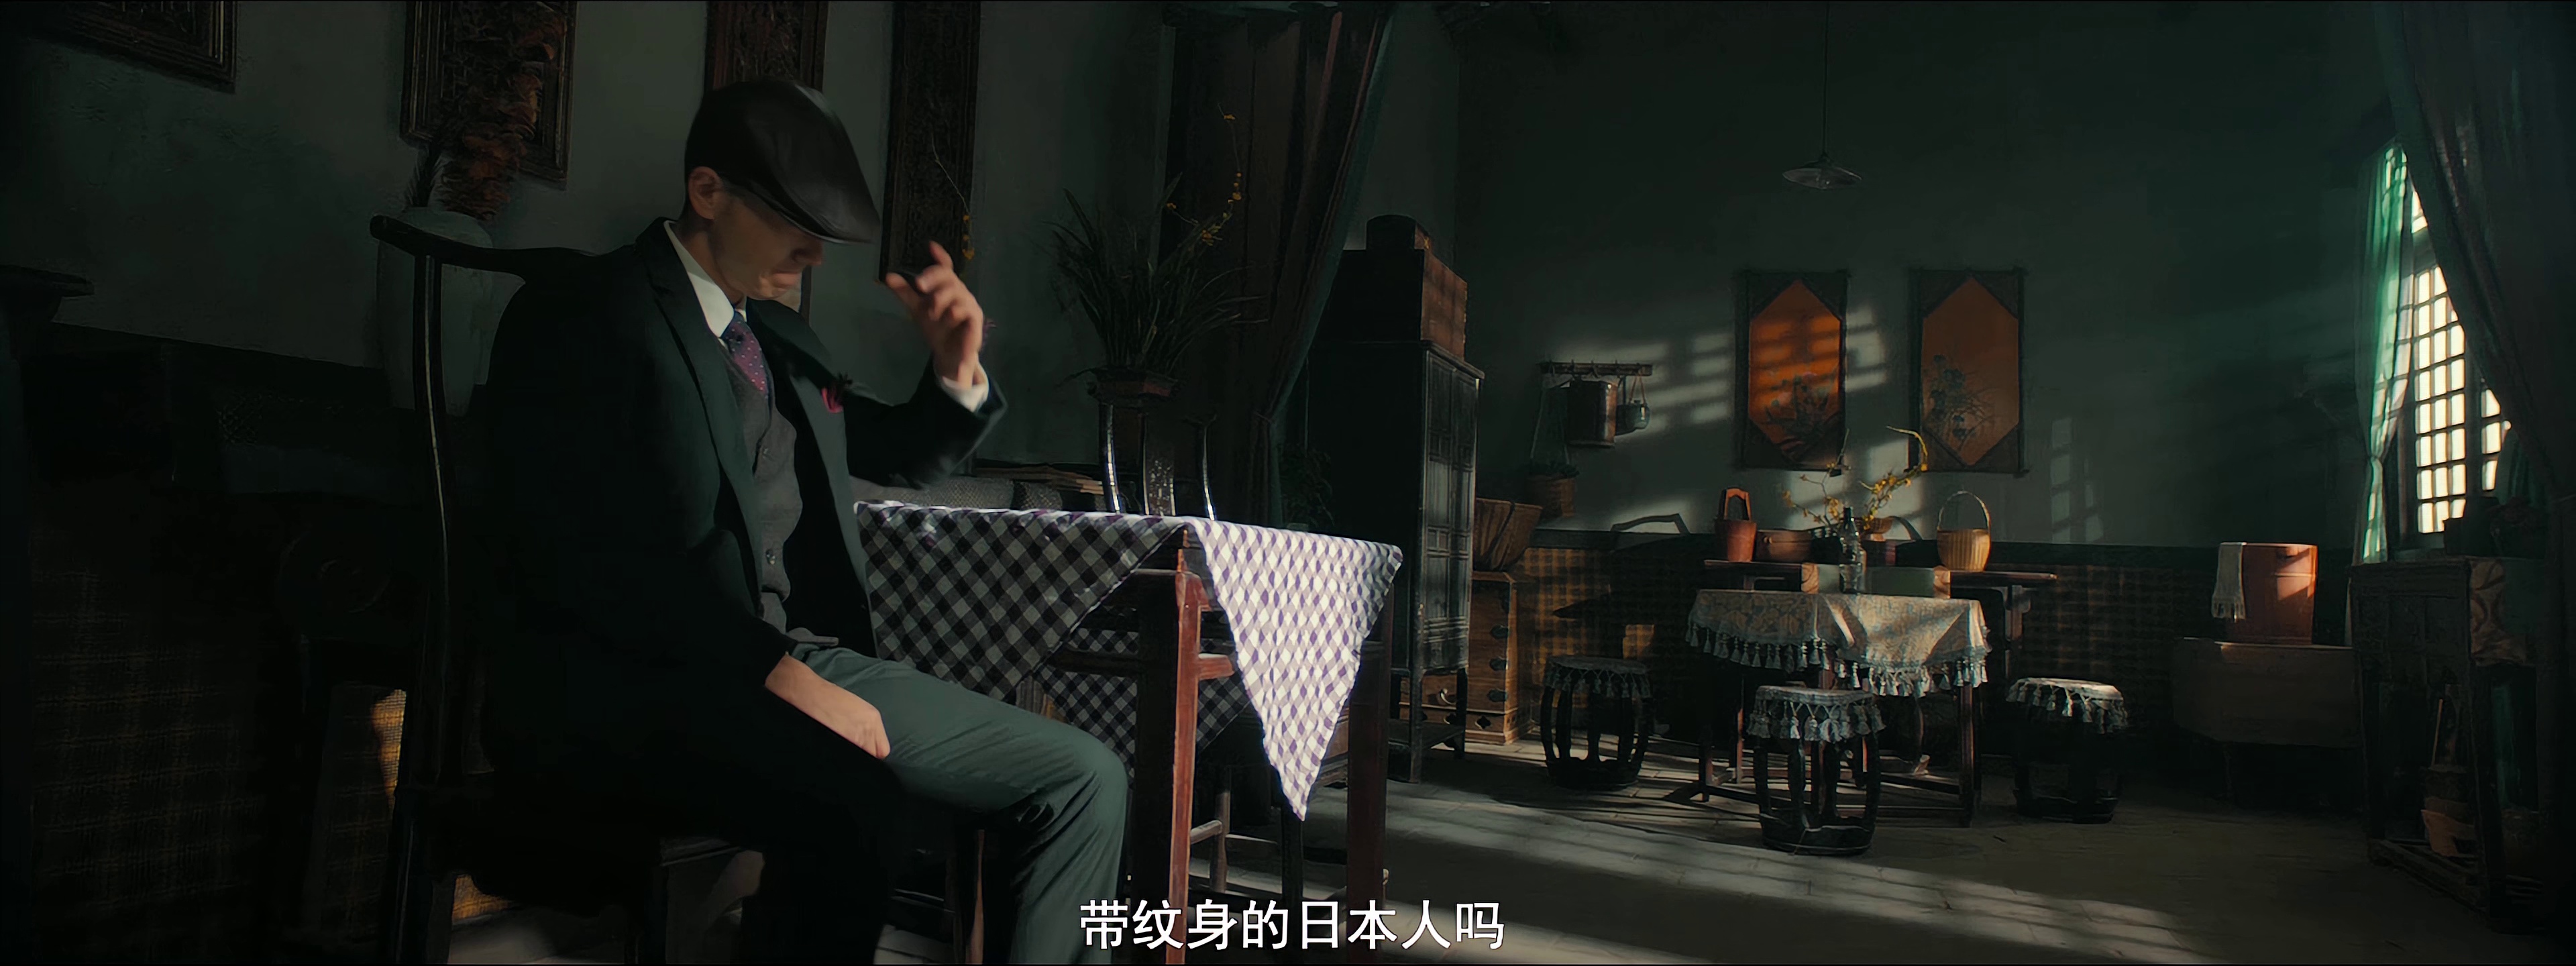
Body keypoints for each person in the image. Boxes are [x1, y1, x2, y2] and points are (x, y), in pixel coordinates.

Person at [478, 79, 1125, 964]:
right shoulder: (585, 310)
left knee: (1085, 776)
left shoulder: (782, 342)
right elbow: (592, 558)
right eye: (795, 223)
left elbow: (896, 452)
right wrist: (773, 670)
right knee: (856, 804)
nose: (815, 253)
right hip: (640, 677)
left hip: (793, 654)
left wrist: (957, 369)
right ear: (708, 192)